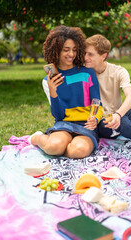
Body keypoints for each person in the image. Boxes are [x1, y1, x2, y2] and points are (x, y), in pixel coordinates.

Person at [29, 25, 102, 159]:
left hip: (86, 124)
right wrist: (53, 91)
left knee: (78, 151)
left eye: (74, 50)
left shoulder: (88, 73)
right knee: (53, 147)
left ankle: (65, 146)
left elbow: (96, 102)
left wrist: (95, 118)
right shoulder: (48, 80)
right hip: (64, 124)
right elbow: (59, 115)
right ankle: (37, 138)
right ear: (56, 51)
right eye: (66, 50)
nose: (71, 54)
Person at [85, 34, 131, 151]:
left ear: (103, 56)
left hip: (120, 117)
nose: (85, 57)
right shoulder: (84, 74)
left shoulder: (118, 71)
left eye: (90, 54)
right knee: (121, 121)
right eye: (85, 53)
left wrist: (117, 115)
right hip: (101, 123)